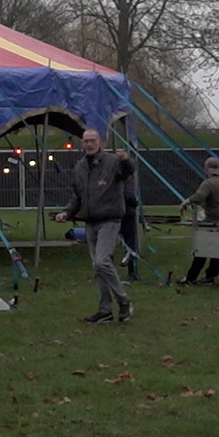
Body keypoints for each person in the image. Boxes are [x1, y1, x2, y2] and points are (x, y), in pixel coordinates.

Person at [54, 129, 135, 325]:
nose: (89, 144)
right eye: (86, 141)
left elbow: (127, 172)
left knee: (101, 261)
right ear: (81, 144)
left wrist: (125, 160)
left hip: (110, 219)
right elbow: (78, 196)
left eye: (93, 141)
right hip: (90, 221)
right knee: (98, 269)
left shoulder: (112, 162)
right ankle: (105, 310)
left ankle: (124, 301)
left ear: (100, 142)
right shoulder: (80, 167)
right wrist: (67, 212)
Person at [179, 157, 219, 284]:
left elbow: (199, 196)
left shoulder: (208, 183)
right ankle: (210, 276)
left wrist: (185, 202)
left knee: (201, 249)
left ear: (207, 169)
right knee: (217, 251)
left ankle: (191, 277)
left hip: (214, 221)